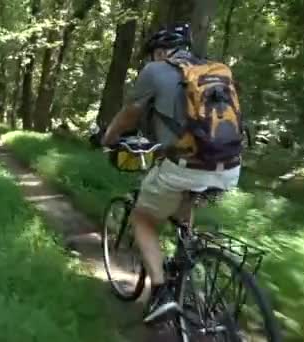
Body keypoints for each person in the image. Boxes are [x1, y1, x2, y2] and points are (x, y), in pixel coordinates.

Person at [101, 23, 242, 323]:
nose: (153, 59)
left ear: (161, 51)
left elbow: (130, 114)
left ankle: (162, 292)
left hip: (184, 167)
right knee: (183, 205)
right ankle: (187, 269)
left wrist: (108, 138)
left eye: (153, 54)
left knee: (143, 219)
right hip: (229, 167)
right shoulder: (216, 71)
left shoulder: (156, 71)